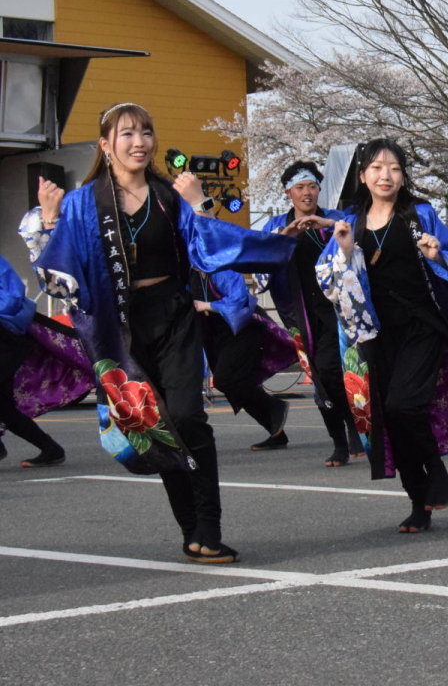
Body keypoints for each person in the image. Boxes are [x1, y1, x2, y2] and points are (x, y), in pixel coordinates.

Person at [19, 102, 295, 563]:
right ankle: (191, 529)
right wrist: (50, 221)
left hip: (174, 314)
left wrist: (199, 204)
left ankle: (209, 525)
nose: (139, 142)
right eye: (126, 134)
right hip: (119, 325)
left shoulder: (168, 196)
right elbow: (59, 281)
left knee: (188, 416)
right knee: (154, 425)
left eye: (146, 132)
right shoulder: (84, 203)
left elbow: (210, 249)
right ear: (105, 145)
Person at [318, 139, 448, 533]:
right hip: (377, 333)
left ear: (403, 176)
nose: (385, 175)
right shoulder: (350, 220)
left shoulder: (419, 214)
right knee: (391, 415)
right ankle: (417, 501)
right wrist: (343, 253)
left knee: (405, 406)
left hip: (424, 325)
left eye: (393, 168)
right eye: (376, 168)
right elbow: (327, 276)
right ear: (362, 176)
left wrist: (437, 255)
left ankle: (435, 469)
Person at [257, 161, 364, 466]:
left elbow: (358, 243)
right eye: (300, 187)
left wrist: (328, 226)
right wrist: (287, 235)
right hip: (298, 313)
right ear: (288, 192)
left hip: (337, 311)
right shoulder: (276, 225)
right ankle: (340, 441)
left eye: (312, 186)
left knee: (333, 371)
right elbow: (262, 259)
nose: (307, 193)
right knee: (319, 379)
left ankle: (355, 433)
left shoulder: (335, 218)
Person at [1, 254, 89, 467]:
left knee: (2, 405)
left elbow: (12, 296)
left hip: (5, 337)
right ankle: (50, 449)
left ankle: (51, 448)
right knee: (3, 405)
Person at [191, 269, 295, 442]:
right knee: (237, 386)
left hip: (244, 331)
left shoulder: (223, 270)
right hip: (219, 336)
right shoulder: (191, 275)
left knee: (226, 381)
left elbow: (239, 301)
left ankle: (274, 405)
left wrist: (207, 306)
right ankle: (276, 432)